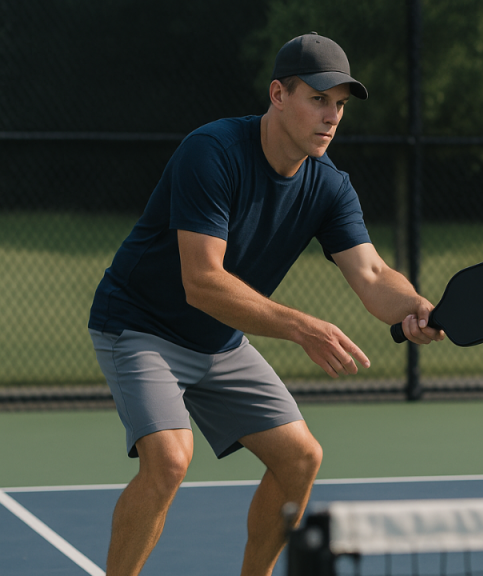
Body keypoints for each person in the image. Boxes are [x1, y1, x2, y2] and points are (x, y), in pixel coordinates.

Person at [88, 33, 443, 576]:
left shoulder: (330, 187)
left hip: (219, 340)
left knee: (301, 458)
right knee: (170, 459)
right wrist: (301, 328)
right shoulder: (212, 152)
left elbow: (372, 274)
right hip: (140, 326)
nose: (332, 117)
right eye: (318, 99)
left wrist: (415, 306)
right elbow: (202, 282)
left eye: (340, 105)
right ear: (278, 94)